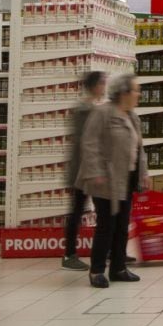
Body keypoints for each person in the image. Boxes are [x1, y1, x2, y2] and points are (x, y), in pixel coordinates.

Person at [75, 73, 148, 288]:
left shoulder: (132, 117)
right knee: (106, 226)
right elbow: (89, 144)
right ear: (124, 92)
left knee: (122, 225)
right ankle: (97, 270)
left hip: (126, 178)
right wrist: (95, 171)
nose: (138, 94)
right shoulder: (103, 113)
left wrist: (144, 172)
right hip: (105, 180)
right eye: (135, 90)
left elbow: (139, 148)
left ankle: (118, 268)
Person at [62, 71, 106, 271]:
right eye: (102, 84)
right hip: (83, 171)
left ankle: (109, 251)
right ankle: (69, 254)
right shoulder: (84, 110)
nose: (104, 87)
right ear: (95, 86)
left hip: (90, 169)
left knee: (96, 210)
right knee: (78, 211)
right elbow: (85, 143)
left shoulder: (92, 109)